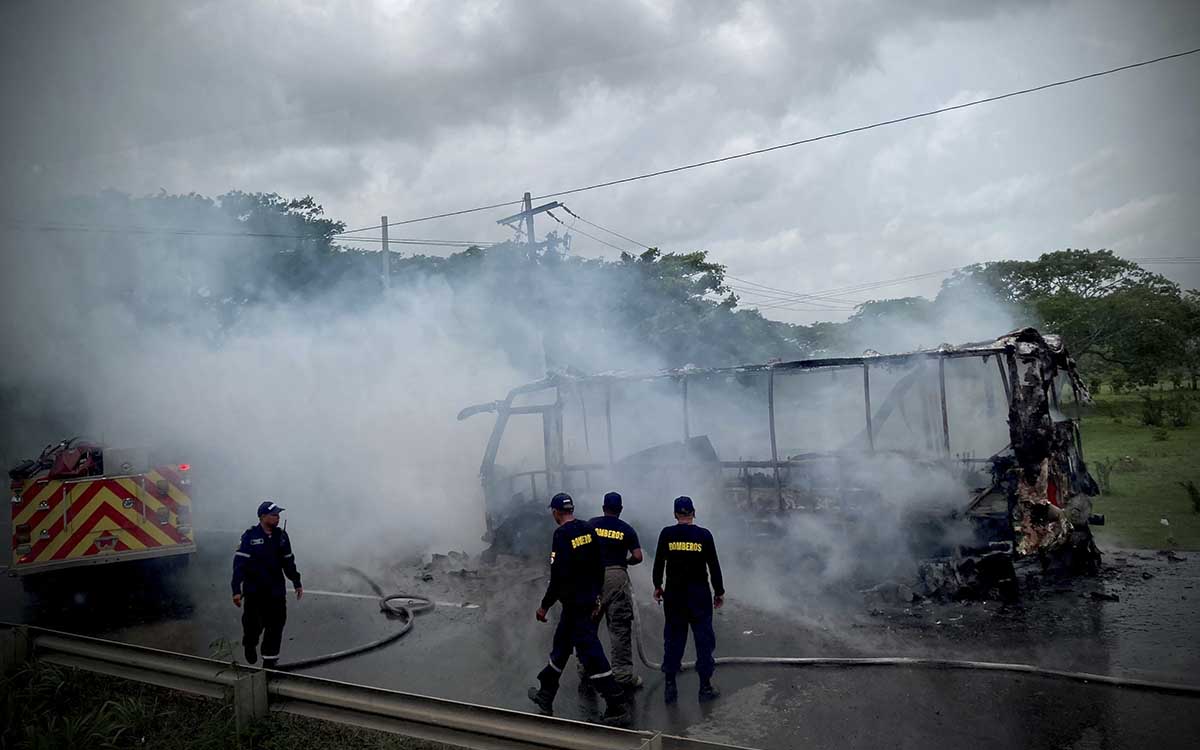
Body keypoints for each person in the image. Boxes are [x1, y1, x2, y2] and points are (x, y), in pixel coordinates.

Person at [528, 492, 629, 725]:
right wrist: (597, 597)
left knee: (590, 653)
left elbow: (557, 577)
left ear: (556, 512)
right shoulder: (587, 529)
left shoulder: (561, 535)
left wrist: (544, 606)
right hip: (585, 602)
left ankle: (616, 704)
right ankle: (546, 694)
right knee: (561, 645)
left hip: (575, 605)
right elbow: (599, 566)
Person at [652, 495, 724, 704]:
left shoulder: (667, 534)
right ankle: (705, 688)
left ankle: (670, 687)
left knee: (673, 640)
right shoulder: (704, 535)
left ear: (675, 514)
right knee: (703, 641)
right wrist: (719, 592)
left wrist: (658, 585)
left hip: (674, 595)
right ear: (694, 512)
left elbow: (659, 563)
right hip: (699, 595)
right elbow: (714, 566)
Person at [581, 491, 643, 691]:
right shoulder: (626, 529)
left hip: (592, 576)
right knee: (619, 628)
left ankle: (586, 670)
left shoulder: (590, 525)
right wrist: (626, 562)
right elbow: (638, 556)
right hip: (616, 577)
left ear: (603, 508)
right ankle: (622, 675)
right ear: (620, 509)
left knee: (588, 625)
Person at [231, 501, 303, 669]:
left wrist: (296, 581)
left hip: (276, 591)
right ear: (263, 517)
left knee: (276, 625)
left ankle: (270, 661)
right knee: (253, 625)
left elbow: (288, 561)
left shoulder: (282, 536)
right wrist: (236, 590)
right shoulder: (250, 537)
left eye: (278, 515)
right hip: (255, 592)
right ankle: (250, 644)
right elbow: (239, 565)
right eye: (274, 515)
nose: (277, 518)